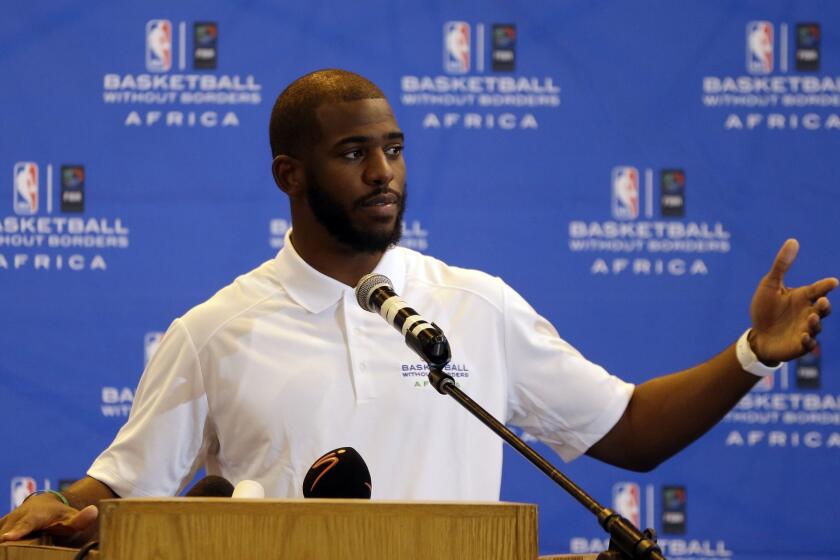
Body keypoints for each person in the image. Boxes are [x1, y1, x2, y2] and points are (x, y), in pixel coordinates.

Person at [1, 69, 835, 544]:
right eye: (353, 153)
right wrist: (55, 505)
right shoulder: (215, 331)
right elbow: (120, 489)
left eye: (394, 149)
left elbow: (633, 433)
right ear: (289, 174)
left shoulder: (475, 306)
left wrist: (751, 355)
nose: (382, 173)